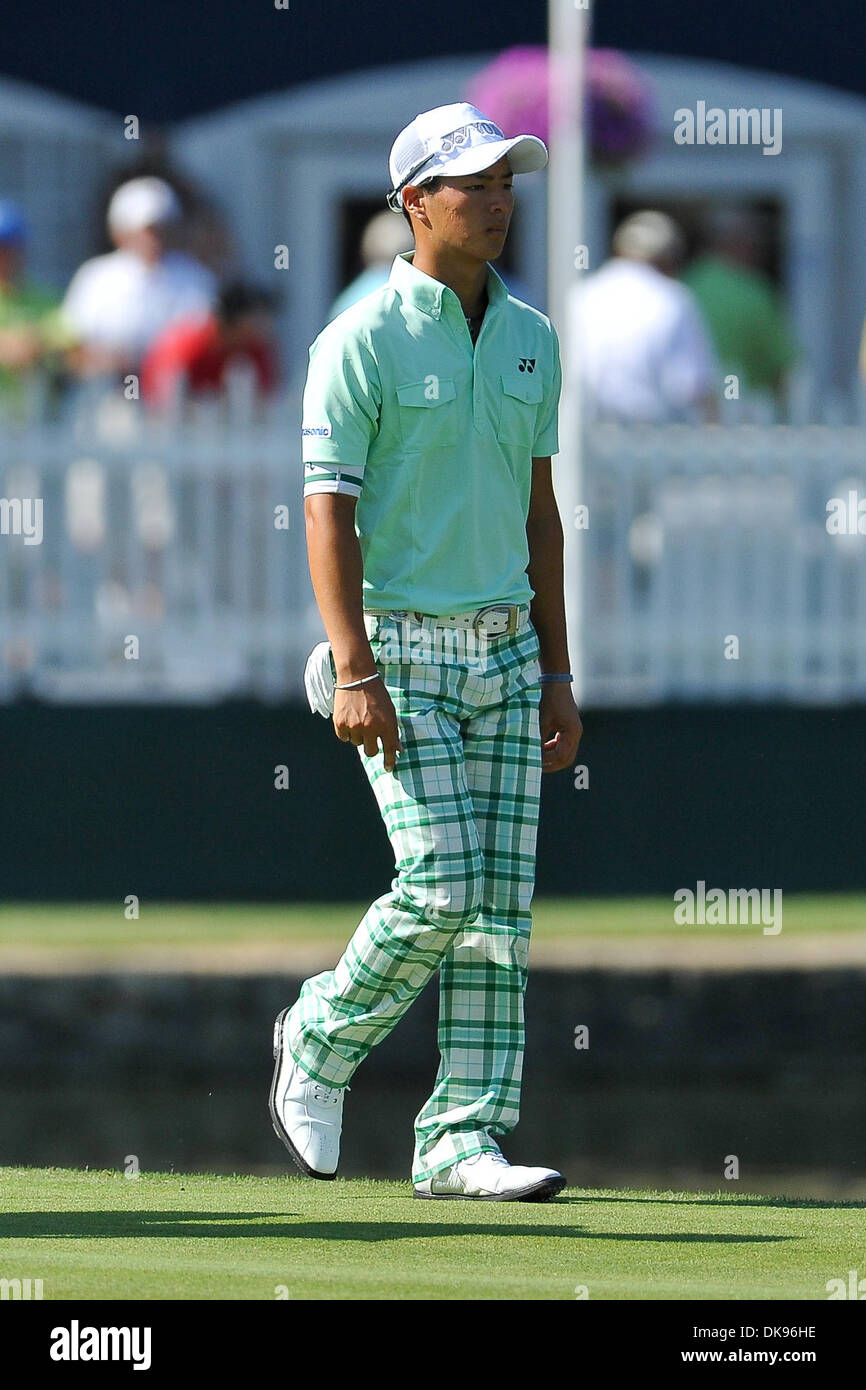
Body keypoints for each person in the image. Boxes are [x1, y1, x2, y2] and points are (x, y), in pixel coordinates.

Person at [269, 102, 583, 1202]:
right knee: (442, 882)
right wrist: (350, 665)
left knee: (498, 908)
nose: (496, 203)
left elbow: (539, 512)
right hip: (398, 653)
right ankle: (316, 1037)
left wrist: (555, 666)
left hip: (507, 648)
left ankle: (460, 1136)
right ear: (415, 203)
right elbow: (326, 512)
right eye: (472, 186)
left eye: (505, 183)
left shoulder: (533, 334)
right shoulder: (357, 337)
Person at [568, 210, 719, 423]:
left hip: (586, 436)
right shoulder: (674, 299)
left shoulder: (583, 296)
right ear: (669, 259)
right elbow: (691, 386)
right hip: (652, 439)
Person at [60, 176, 215, 381]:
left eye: (161, 227)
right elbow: (69, 350)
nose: (154, 237)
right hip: (111, 399)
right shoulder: (95, 278)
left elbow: (211, 343)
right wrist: (106, 361)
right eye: (147, 229)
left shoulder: (197, 278)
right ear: (119, 231)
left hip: (182, 400)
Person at [683, 205, 798, 405]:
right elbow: (784, 366)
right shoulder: (753, 292)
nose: (757, 252)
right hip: (736, 395)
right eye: (755, 244)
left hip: (690, 402)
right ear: (740, 243)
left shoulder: (685, 284)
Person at [140, 281, 279, 408]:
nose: (264, 326)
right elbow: (160, 396)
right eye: (255, 320)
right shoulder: (191, 342)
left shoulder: (254, 343)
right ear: (235, 321)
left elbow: (268, 396)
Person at [0, 200, 74, 415]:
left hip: (37, 421)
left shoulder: (45, 300)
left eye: (9, 249)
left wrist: (38, 346)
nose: (4, 258)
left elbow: (72, 350)